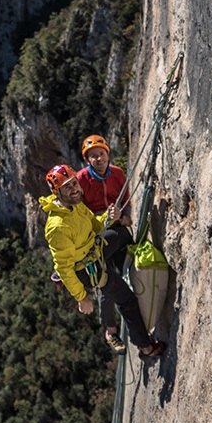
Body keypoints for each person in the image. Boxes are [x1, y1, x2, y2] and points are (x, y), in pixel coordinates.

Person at [39, 164, 166, 360]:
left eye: (74, 183)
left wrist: (109, 216)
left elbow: (95, 225)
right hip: (89, 269)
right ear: (57, 193)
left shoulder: (76, 204)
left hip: (94, 248)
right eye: (67, 187)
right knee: (127, 300)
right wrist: (82, 298)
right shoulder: (57, 227)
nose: (73, 189)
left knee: (121, 233)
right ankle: (146, 348)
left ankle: (127, 267)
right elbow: (64, 268)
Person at [77, 134, 132, 224]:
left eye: (102, 153)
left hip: (116, 221)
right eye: (94, 156)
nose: (100, 158)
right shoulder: (80, 179)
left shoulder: (117, 174)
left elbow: (125, 199)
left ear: (107, 154)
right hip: (93, 225)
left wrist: (126, 217)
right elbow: (78, 209)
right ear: (87, 160)